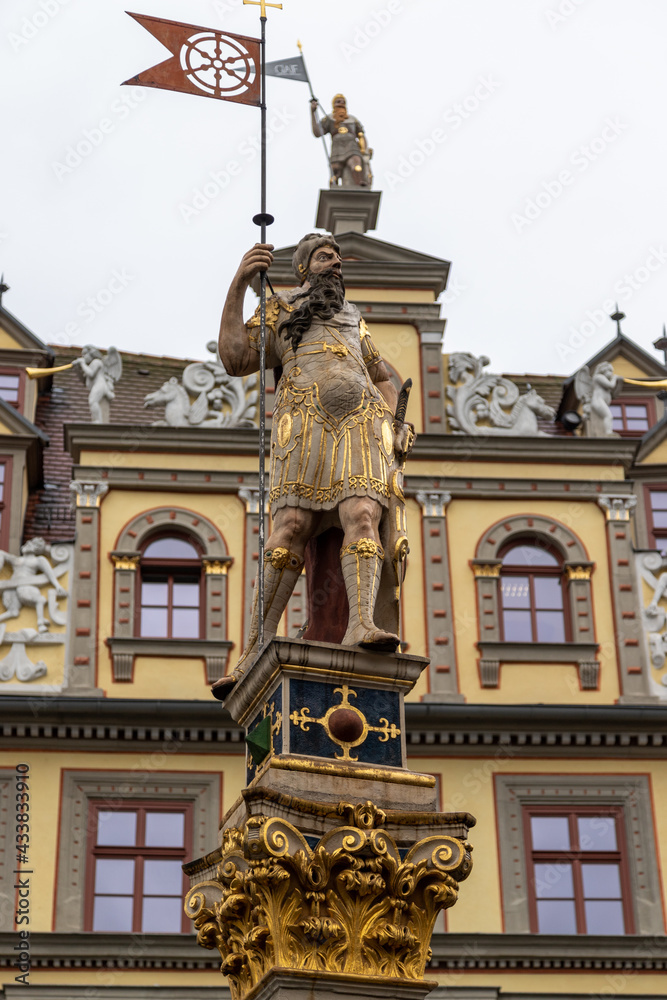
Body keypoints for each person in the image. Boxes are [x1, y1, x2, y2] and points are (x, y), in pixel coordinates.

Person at [211, 234, 413, 698]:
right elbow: (235, 357)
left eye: (338, 257)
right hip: (304, 421)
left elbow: (382, 378)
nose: (336, 263)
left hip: (361, 425)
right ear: (304, 269)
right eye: (325, 256)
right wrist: (239, 283)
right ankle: (255, 649)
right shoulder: (280, 308)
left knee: (362, 517)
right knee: (291, 526)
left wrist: (395, 425)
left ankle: (361, 624)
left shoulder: (354, 317)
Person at [311, 94, 371, 187]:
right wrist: (313, 113)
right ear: (333, 104)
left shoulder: (353, 119)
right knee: (335, 171)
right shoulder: (330, 118)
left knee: (356, 164)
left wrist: (364, 149)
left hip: (352, 146)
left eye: (343, 102)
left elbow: (361, 135)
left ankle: (359, 183)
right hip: (337, 147)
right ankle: (333, 187)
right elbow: (317, 132)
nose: (341, 103)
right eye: (338, 101)